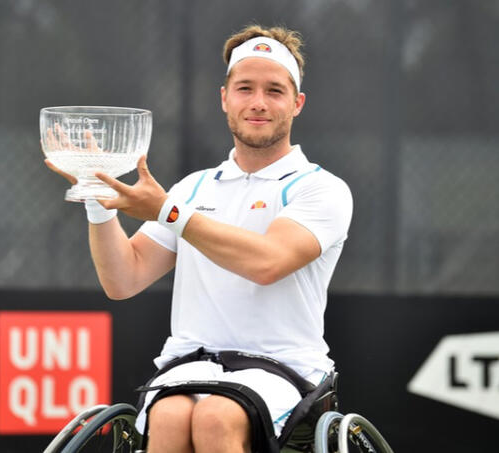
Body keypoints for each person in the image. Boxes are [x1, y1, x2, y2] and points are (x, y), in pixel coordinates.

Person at [46, 24, 352, 453]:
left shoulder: (321, 188)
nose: (258, 102)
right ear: (224, 98)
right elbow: (123, 279)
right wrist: (98, 198)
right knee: (170, 417)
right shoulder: (193, 188)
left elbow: (268, 262)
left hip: (284, 369)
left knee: (216, 417)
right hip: (190, 364)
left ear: (297, 103)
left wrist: (168, 212)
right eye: (245, 88)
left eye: (275, 91)